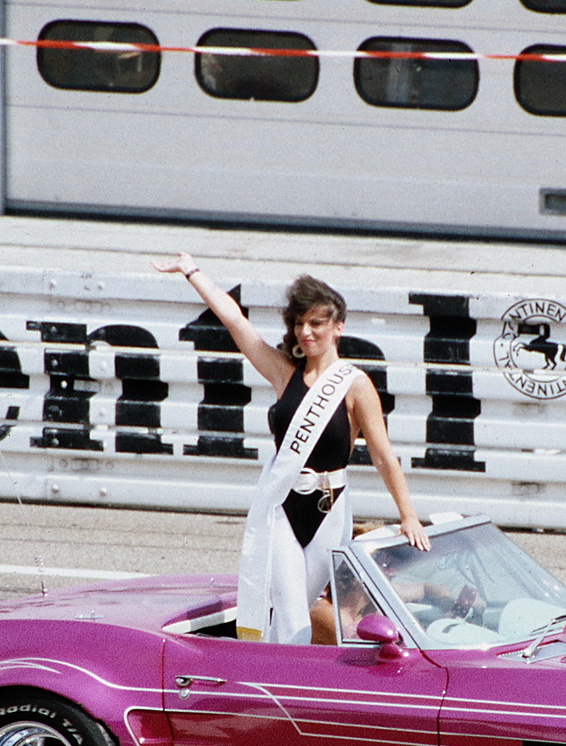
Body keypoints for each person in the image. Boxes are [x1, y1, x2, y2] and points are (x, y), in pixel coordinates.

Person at [153, 253, 429, 644]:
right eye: (299, 323)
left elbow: (384, 456)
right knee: (286, 602)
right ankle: (284, 680)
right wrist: (191, 271)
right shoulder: (284, 373)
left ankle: (277, 669)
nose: (306, 331)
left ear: (338, 327)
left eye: (316, 322)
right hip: (283, 505)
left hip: (329, 507)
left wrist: (409, 516)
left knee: (304, 600)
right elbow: (236, 322)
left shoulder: (355, 384)